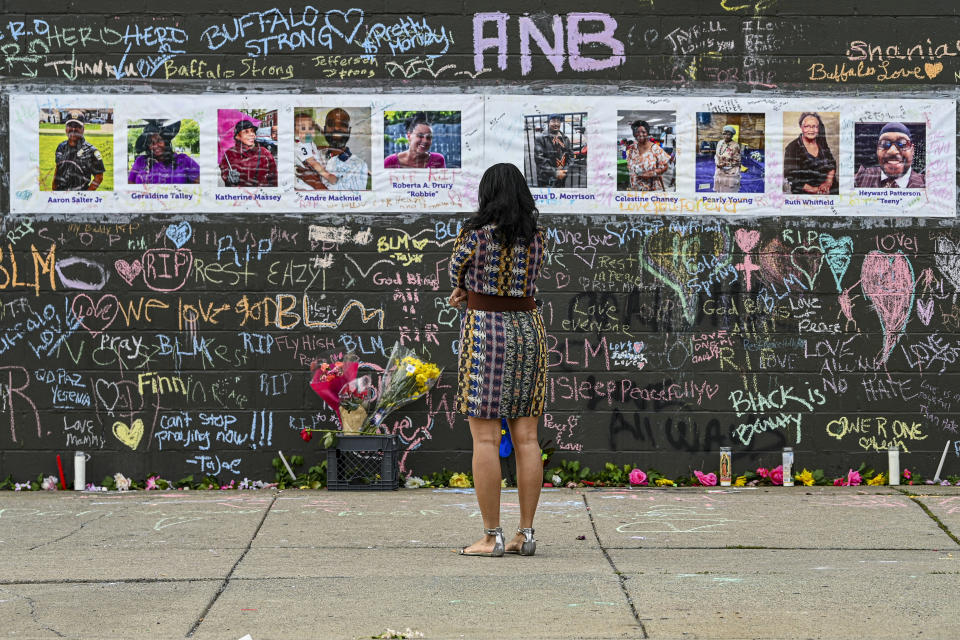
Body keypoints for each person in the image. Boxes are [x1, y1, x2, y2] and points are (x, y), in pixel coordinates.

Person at [448, 163, 547, 557]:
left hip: (487, 331)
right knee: (527, 437)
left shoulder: (474, 236)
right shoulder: (537, 237)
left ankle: (491, 536)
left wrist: (463, 291)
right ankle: (526, 533)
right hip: (528, 330)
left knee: (485, 437)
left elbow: (457, 271)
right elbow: (527, 278)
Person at [854, 122, 925, 188]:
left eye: (902, 143)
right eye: (884, 144)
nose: (892, 151)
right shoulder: (861, 178)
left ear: (912, 150)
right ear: (877, 149)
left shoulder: (926, 184)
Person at [128, 119, 199, 185]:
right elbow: (130, 186)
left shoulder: (183, 160)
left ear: (166, 141)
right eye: (150, 142)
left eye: (159, 140)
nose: (155, 146)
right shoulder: (140, 161)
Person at [783, 112, 837, 195]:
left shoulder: (821, 142)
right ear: (801, 127)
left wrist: (828, 182)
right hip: (806, 193)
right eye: (807, 126)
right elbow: (791, 177)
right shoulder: (792, 148)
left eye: (814, 126)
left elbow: (831, 163)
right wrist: (814, 190)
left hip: (828, 189)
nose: (811, 130)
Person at [52, 114, 105, 191]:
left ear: (83, 129)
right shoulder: (61, 147)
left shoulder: (92, 151)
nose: (73, 129)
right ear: (66, 128)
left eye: (77, 126)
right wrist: (54, 187)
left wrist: (86, 196)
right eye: (70, 125)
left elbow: (99, 177)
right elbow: (58, 167)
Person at [219, 119, 278, 187]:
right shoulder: (229, 154)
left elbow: (274, 178)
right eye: (246, 132)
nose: (252, 134)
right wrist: (228, 177)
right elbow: (224, 172)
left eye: (253, 131)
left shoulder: (264, 152)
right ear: (237, 136)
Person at [625, 119, 670, 191]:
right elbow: (630, 167)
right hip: (636, 188)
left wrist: (653, 173)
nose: (640, 134)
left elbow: (665, 166)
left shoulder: (655, 149)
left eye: (643, 132)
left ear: (647, 133)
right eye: (637, 132)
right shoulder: (632, 149)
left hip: (651, 189)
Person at [534, 114, 572, 187]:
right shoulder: (541, 138)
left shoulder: (565, 138)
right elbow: (539, 159)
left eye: (558, 121)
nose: (556, 124)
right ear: (548, 122)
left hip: (562, 176)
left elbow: (571, 156)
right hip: (547, 179)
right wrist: (555, 173)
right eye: (553, 121)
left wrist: (565, 170)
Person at [713, 124, 742, 192]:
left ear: (732, 135)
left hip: (730, 171)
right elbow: (716, 155)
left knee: (728, 190)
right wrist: (717, 163)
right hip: (720, 169)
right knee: (720, 189)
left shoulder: (735, 145)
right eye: (725, 134)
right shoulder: (720, 143)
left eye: (729, 134)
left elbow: (737, 161)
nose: (726, 136)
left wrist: (725, 164)